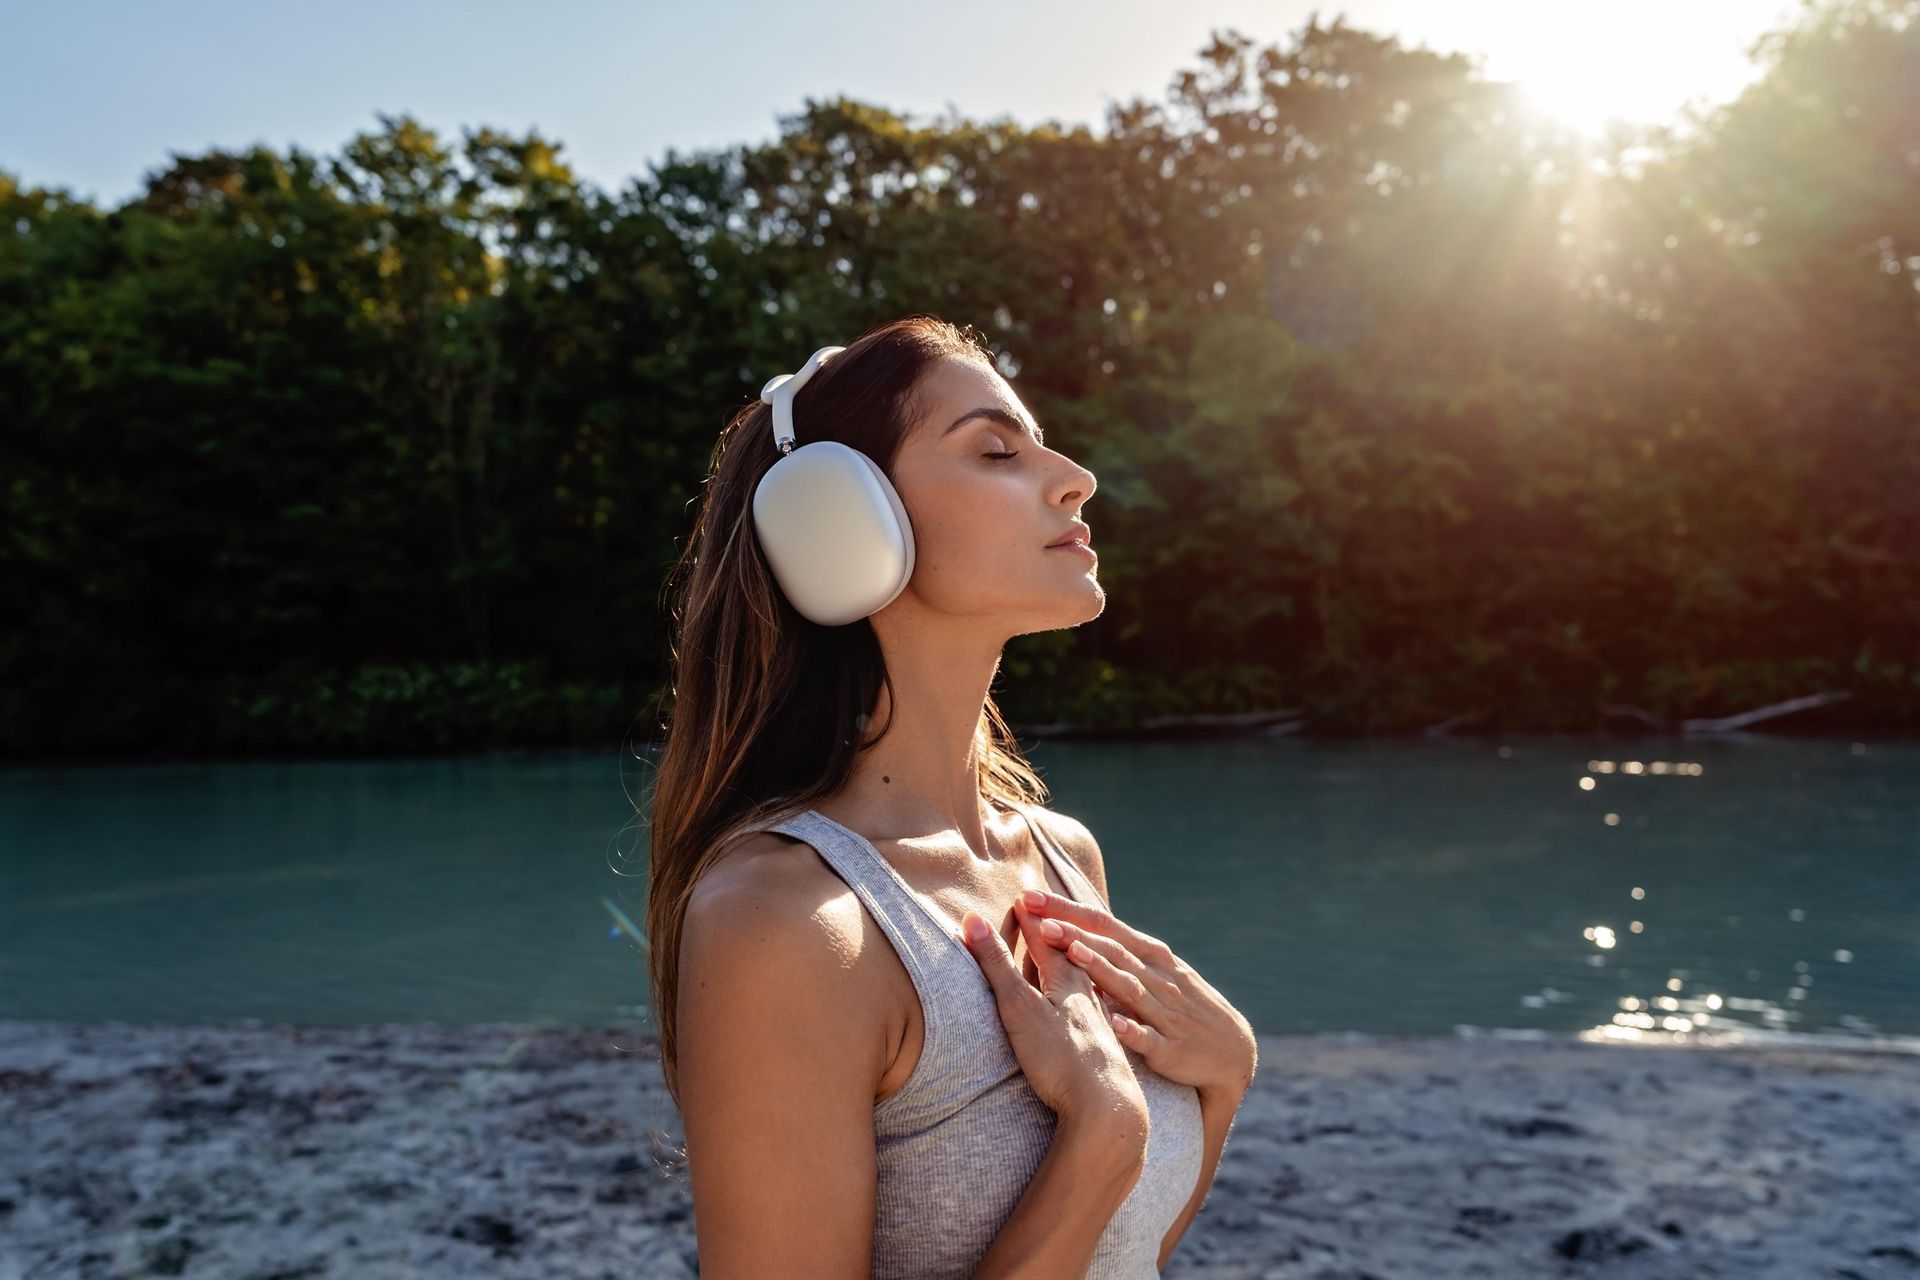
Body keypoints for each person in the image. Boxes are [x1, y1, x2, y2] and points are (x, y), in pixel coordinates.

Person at [644, 314, 1257, 1278]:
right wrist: (1098, 1138)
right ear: (841, 523)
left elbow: (1120, 1259)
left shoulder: (1061, 859)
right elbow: (1102, 1185)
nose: (1073, 475)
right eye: (997, 449)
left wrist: (1223, 1082)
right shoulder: (787, 923)